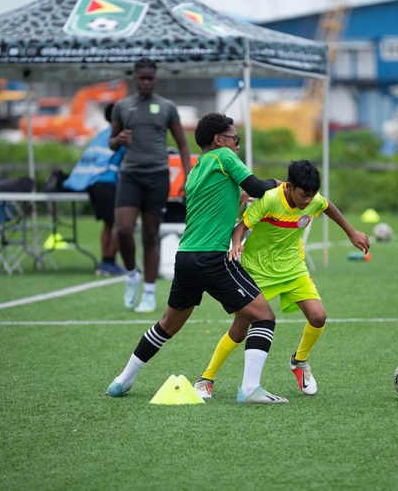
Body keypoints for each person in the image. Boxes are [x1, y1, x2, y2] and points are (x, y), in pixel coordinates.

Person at [106, 112, 289, 404]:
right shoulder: (224, 158)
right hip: (212, 257)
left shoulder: (195, 169)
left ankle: (121, 381)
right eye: (235, 139)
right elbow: (256, 187)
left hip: (186, 257)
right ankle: (250, 389)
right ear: (219, 140)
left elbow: (215, 205)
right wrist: (280, 184)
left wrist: (237, 199)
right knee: (264, 317)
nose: (237, 146)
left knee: (167, 324)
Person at [193, 160, 370, 399]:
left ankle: (299, 362)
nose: (308, 201)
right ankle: (206, 378)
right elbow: (241, 227)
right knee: (239, 329)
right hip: (257, 270)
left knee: (318, 317)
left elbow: (328, 206)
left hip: (293, 268)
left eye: (312, 195)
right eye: (303, 195)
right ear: (289, 187)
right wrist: (236, 245)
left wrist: (352, 232)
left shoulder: (313, 200)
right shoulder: (270, 200)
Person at [110, 59, 191, 313]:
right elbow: (111, 143)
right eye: (141, 78)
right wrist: (118, 139)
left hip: (157, 175)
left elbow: (183, 145)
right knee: (122, 230)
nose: (146, 82)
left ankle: (148, 292)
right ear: (135, 78)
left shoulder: (167, 107)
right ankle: (132, 274)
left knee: (149, 234)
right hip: (130, 174)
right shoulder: (122, 107)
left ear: (155, 79)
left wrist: (189, 178)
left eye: (150, 78)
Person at [62, 103, 125, 276]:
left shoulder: (101, 135)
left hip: (93, 184)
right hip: (106, 183)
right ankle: (108, 262)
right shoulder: (121, 135)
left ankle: (107, 262)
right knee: (120, 224)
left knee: (109, 224)